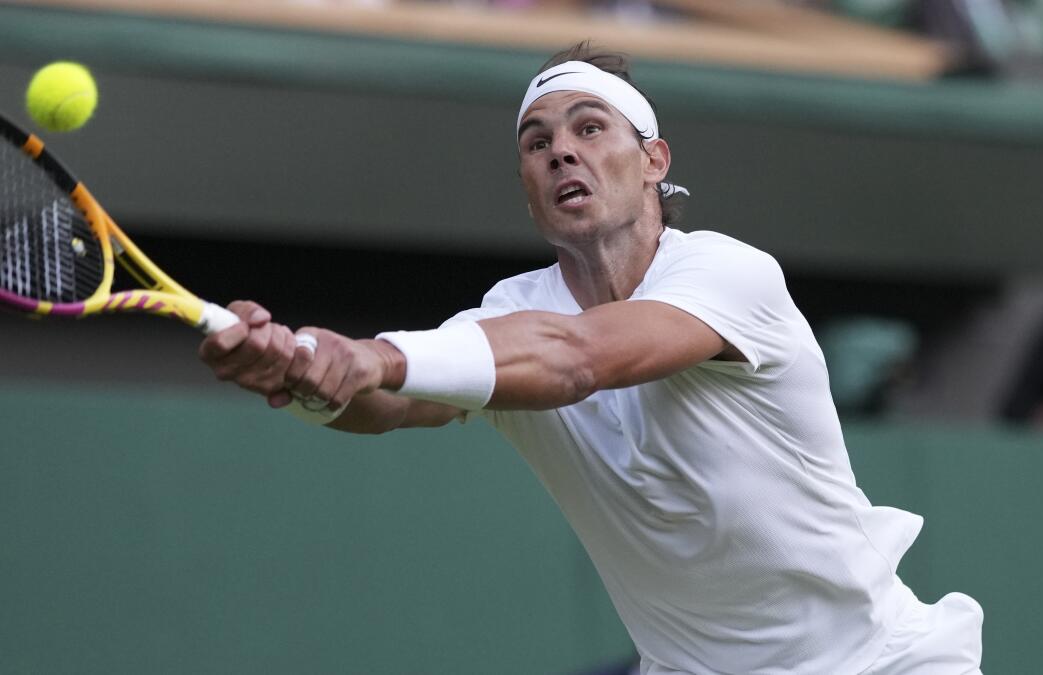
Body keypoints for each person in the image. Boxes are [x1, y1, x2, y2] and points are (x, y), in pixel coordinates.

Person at [199, 42, 984, 674]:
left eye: (589, 128)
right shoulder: (507, 313)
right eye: (536, 143)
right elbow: (399, 404)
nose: (561, 153)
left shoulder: (729, 272)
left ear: (654, 161)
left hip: (881, 662)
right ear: (528, 189)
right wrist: (305, 379)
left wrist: (372, 355)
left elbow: (575, 358)